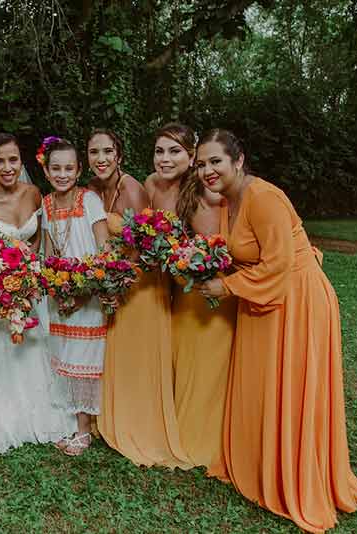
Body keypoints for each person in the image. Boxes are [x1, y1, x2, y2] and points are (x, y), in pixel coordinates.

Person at [197, 129, 357, 532]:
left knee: (290, 387)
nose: (207, 170)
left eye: (215, 161)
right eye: (202, 163)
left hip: (296, 301)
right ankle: (261, 466)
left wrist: (225, 286)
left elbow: (276, 264)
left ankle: (293, 475)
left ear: (238, 161)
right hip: (264, 299)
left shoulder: (263, 196)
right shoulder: (230, 199)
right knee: (263, 385)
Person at [0, 133, 76, 457]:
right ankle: (2, 417)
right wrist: (3, 282)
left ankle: (40, 407)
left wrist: (27, 271)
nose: (8, 167)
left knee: (34, 345)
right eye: (0, 161)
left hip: (26, 285)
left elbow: (36, 237)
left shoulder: (33, 193)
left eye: (13, 159)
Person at [88, 128, 190, 468]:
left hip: (141, 281)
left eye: (107, 152)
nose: (101, 159)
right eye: (94, 153)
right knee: (120, 352)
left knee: (138, 354)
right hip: (121, 277)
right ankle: (116, 414)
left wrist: (114, 284)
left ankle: (138, 425)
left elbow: (141, 248)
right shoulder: (96, 190)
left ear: (119, 154)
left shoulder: (132, 190)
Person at [152, 123, 237, 469]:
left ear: (191, 157)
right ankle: (175, 430)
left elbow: (230, 243)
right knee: (181, 363)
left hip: (208, 294)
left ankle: (199, 441)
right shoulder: (152, 186)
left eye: (175, 151)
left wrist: (202, 262)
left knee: (205, 369)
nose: (166, 158)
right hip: (177, 293)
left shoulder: (212, 192)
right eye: (160, 151)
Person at [41, 136, 109, 456]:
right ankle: (68, 422)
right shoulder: (46, 204)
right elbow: (50, 251)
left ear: (79, 170)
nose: (63, 174)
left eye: (69, 168)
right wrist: (57, 286)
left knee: (85, 358)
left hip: (89, 290)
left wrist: (85, 290)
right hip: (62, 293)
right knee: (65, 355)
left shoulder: (90, 199)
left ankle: (85, 429)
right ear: (47, 171)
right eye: (56, 168)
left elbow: (104, 249)